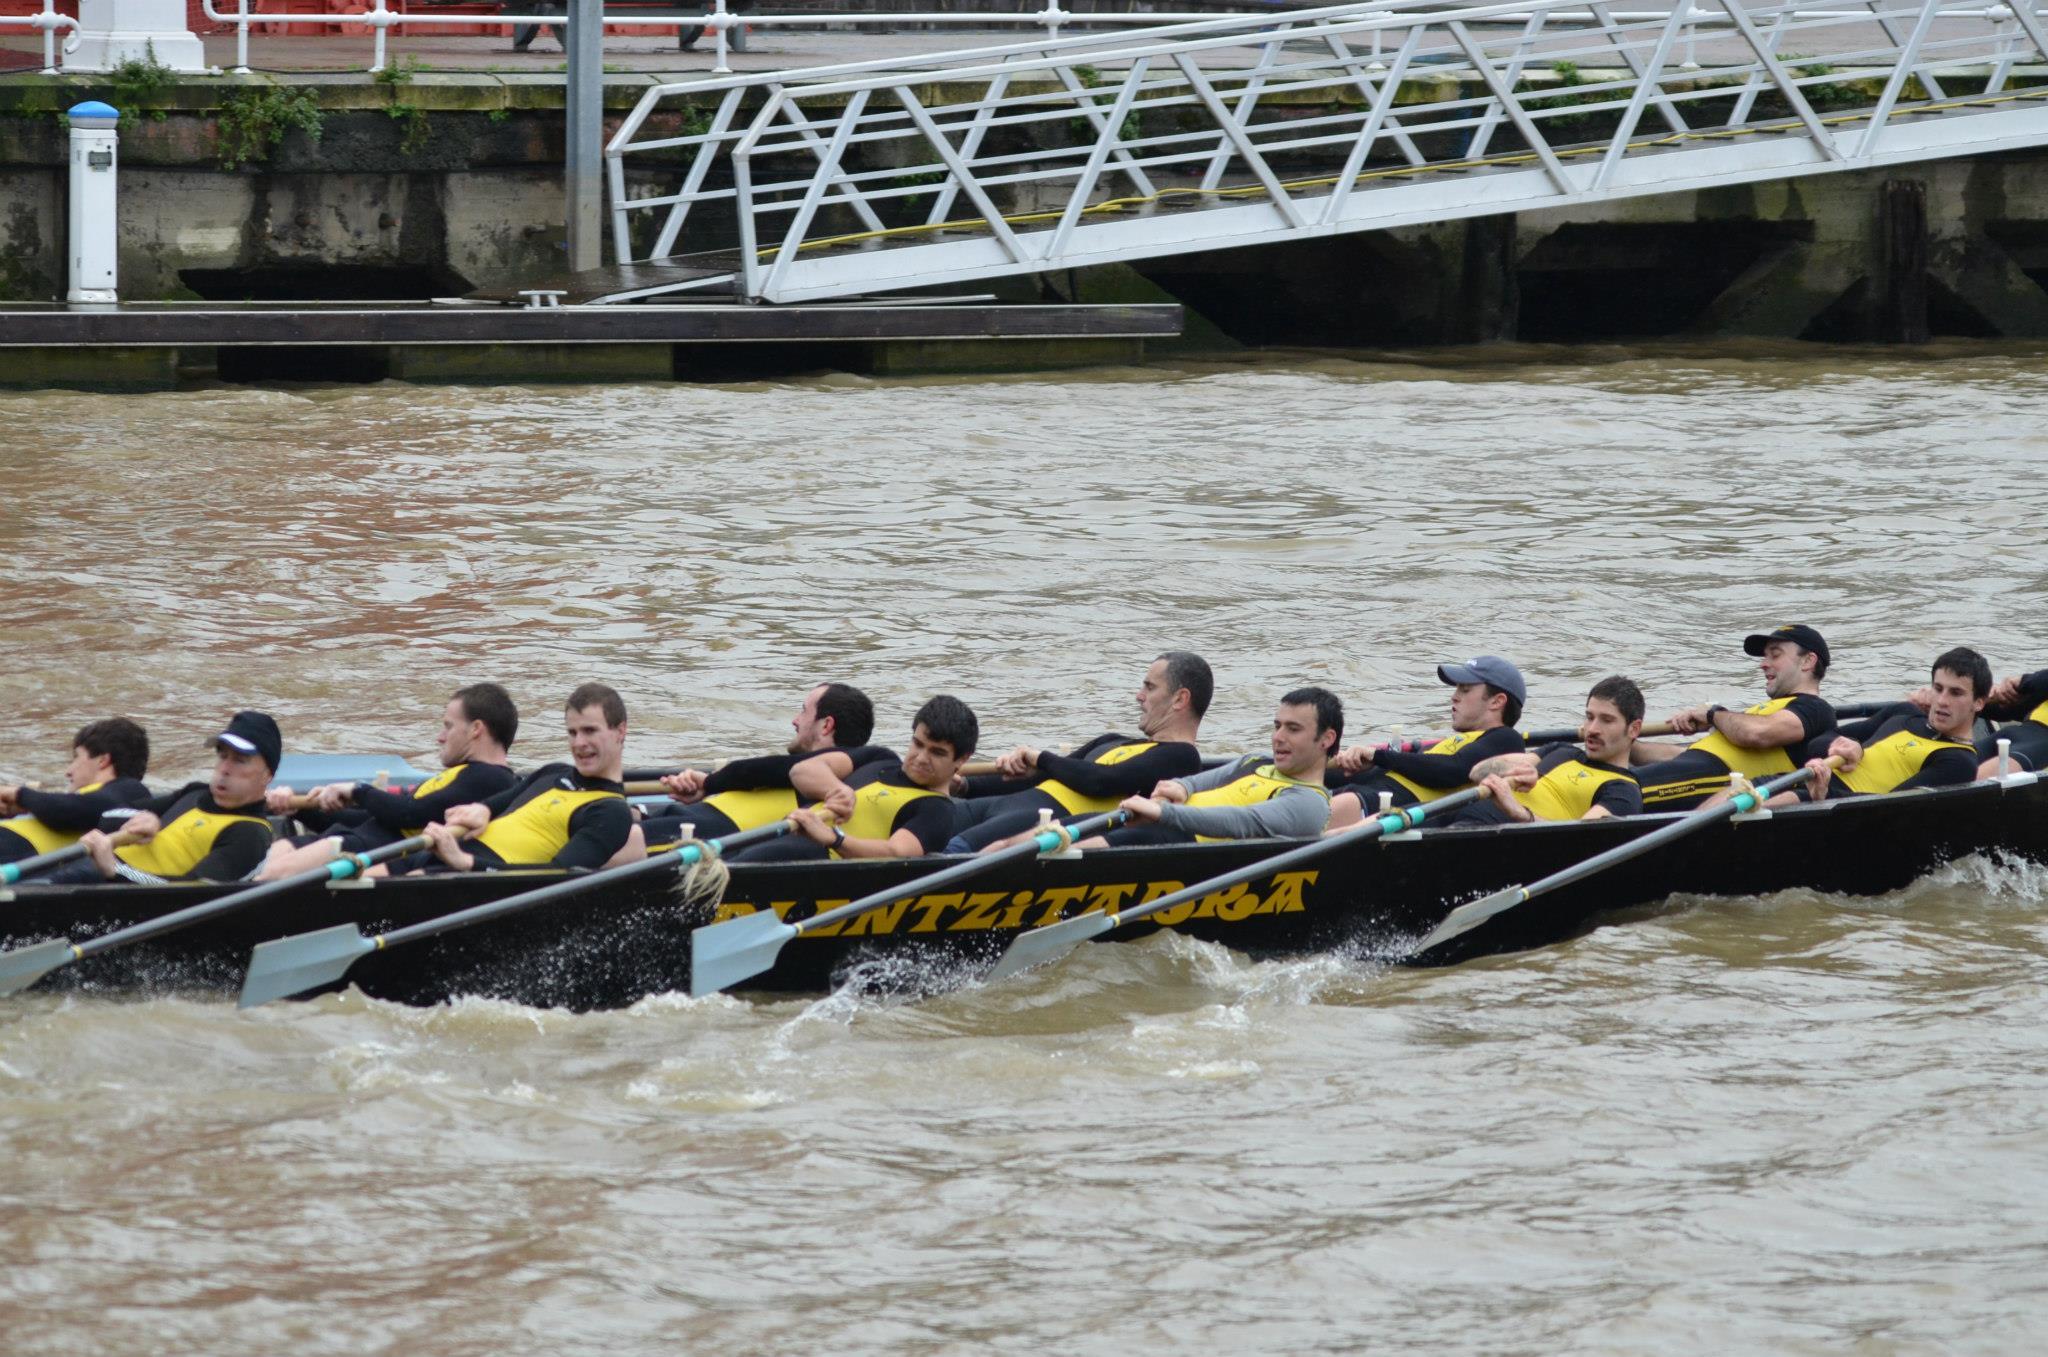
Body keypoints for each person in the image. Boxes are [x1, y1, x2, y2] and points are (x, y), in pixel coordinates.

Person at [945, 651, 1211, 853]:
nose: (1139, 696)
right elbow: (1039, 774)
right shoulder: (1114, 740)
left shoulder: (1182, 758)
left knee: (954, 850)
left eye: (1150, 687)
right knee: (918, 827)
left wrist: (1041, 757)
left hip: (1038, 820)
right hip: (1000, 805)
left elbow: (1100, 781)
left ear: (1180, 699)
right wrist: (965, 786)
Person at [254, 684, 520, 881]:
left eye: (448, 726)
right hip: (351, 839)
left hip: (365, 854)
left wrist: (359, 789)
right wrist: (301, 809)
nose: (440, 737)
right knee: (258, 867)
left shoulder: (492, 778)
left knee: (266, 878)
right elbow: (367, 820)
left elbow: (409, 814)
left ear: (476, 729)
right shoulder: (461, 775)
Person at [397, 683, 634, 874]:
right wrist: (481, 809)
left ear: (620, 731)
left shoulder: (611, 812)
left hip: (473, 878)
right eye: (572, 733)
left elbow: (555, 878)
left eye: (590, 731)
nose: (579, 743)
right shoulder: (552, 772)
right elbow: (494, 804)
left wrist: (466, 861)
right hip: (433, 856)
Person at [38, 712, 280, 885]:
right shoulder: (195, 792)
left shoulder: (250, 834)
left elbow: (189, 895)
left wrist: (115, 871)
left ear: (267, 775)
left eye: (239, 760)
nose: (224, 768)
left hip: (122, 897)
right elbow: (107, 818)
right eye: (222, 756)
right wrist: (143, 817)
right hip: (91, 871)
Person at [729, 694, 978, 862]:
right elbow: (802, 770)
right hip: (777, 839)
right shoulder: (881, 758)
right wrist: (836, 790)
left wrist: (834, 838)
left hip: (819, 862)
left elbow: (897, 853)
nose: (921, 758)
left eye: (937, 753)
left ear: (961, 759)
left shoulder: (937, 810)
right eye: (917, 744)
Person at [1085, 686, 1340, 847]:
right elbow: (1197, 781)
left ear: (1326, 739)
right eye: (1277, 726)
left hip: (1184, 846)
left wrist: (1162, 813)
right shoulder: (1254, 761)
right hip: (1160, 825)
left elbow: (1241, 822)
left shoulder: (1309, 802)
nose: (1278, 737)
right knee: (1075, 825)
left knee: (1097, 844)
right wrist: (1180, 788)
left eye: (1293, 729)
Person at [637, 682, 880, 846]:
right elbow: (759, 772)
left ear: (826, 725)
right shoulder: (802, 768)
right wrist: (705, 786)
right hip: (683, 818)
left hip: (698, 837)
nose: (795, 720)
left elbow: (759, 769)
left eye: (804, 711)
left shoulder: (846, 770)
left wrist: (710, 782)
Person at [1631, 624, 1836, 811]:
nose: (1763, 664)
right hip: (1692, 772)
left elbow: (1756, 734)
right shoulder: (1759, 711)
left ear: (1808, 661)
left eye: (1775, 655)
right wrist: (1627, 743)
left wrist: (1712, 714)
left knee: (1615, 790)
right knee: (1609, 774)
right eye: (1765, 657)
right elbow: (1683, 757)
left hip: (1727, 785)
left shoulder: (1815, 708)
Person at [1325, 655, 1527, 829]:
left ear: (1497, 701)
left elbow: (1453, 771)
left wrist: (1377, 755)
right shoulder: (1453, 742)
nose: (1454, 697)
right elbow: (1412, 766)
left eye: (1465, 690)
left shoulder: (1506, 739)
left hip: (1390, 806)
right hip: (1368, 791)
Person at [1776, 647, 1986, 803]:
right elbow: (1816, 745)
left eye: (1955, 693)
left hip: (1824, 804)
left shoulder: (1960, 761)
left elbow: (1889, 808)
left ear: (1979, 702)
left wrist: (1821, 794)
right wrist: (1852, 746)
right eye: (1938, 689)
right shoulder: (1904, 713)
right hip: (1794, 780)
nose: (1941, 700)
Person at [1443, 676, 1646, 827]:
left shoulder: (1623, 791)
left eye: (1606, 720)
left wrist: (1520, 813)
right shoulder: (1561, 750)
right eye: (1589, 717)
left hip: (1483, 833)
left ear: (1633, 729)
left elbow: (1580, 841)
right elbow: (1477, 772)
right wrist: (1516, 769)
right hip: (1451, 812)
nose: (1592, 729)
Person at [0, 717, 153, 864]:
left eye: (76, 757)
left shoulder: (130, 789)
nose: (68, 771)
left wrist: (19, 794)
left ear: (102, 761)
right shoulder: (91, 797)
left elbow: (71, 810)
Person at [1973, 664, 2048, 776]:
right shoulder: (2041, 689)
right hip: (2010, 738)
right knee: (1954, 761)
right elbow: (2006, 708)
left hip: (2032, 753)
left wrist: (2022, 681)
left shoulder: (2036, 683)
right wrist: (1986, 695)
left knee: (1994, 771)